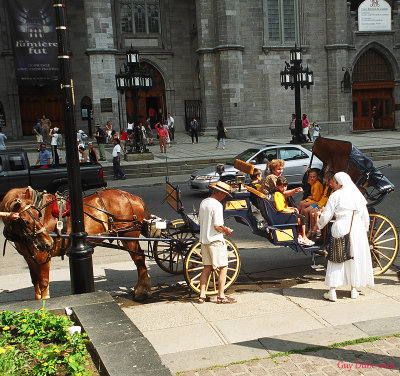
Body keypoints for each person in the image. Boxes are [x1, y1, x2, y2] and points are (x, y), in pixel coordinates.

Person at [313, 172, 374, 302]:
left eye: (333, 181)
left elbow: (326, 216)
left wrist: (318, 225)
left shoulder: (335, 196)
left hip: (340, 227)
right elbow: (365, 216)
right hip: (357, 229)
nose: (331, 184)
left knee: (336, 258)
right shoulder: (358, 195)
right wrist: (365, 230)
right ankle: (353, 289)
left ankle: (332, 291)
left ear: (339, 183)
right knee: (354, 257)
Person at [198, 181, 237, 304]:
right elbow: (218, 225)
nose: (225, 197)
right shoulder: (217, 205)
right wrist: (226, 230)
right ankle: (221, 296)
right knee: (223, 267)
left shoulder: (204, 202)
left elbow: (200, 220)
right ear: (220, 193)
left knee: (206, 268)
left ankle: (202, 295)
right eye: (225, 194)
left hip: (204, 240)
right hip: (215, 240)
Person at [274, 177, 314, 246]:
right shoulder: (277, 194)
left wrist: (291, 208)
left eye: (285, 186)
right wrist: (291, 210)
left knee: (300, 217)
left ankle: (300, 236)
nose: (284, 189)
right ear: (277, 186)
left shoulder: (280, 193)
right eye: (282, 187)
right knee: (301, 218)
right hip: (282, 215)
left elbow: (284, 207)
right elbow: (280, 209)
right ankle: (303, 236)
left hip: (283, 213)